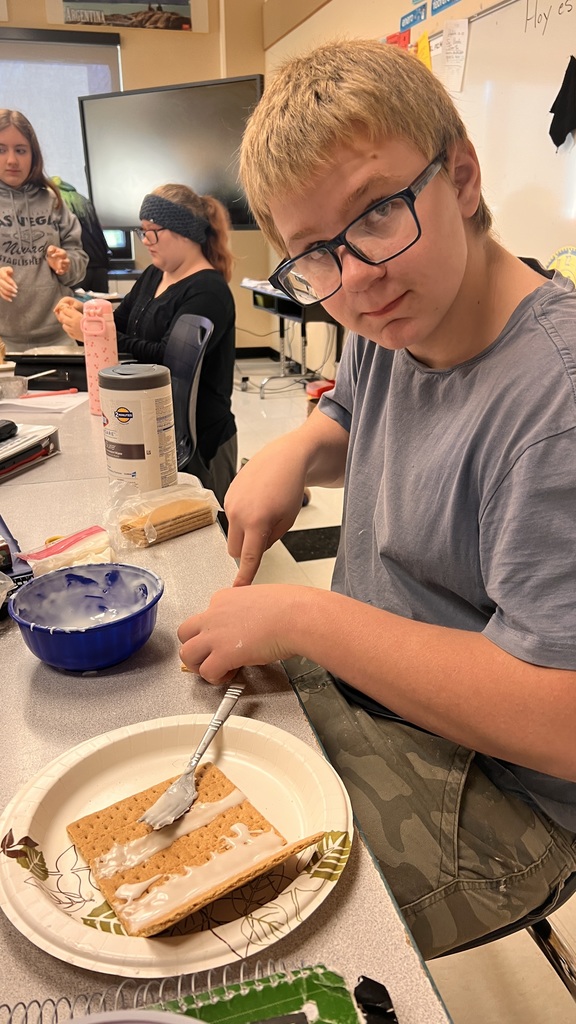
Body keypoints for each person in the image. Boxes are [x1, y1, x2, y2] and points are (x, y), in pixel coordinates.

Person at [175, 39, 576, 959]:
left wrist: (306, 623)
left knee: (229, 931)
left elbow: (560, 719)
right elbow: (354, 410)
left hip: (511, 792)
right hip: (376, 694)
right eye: (312, 254)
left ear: (463, 177)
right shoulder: (400, 315)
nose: (353, 280)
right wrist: (297, 449)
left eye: (378, 215)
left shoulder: (554, 404)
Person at [55, 183, 237, 506]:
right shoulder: (155, 274)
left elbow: (168, 361)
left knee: (211, 535)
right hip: (153, 427)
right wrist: (90, 316)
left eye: (154, 231)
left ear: (185, 231)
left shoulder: (208, 291)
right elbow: (122, 320)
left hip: (199, 441)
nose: (146, 241)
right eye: (142, 232)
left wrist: (96, 334)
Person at [0, 110, 88, 351]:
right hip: (3, 344)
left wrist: (66, 263)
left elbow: (78, 266)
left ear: (33, 154)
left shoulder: (53, 201)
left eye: (20, 150)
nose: (12, 160)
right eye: (1, 150)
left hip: (57, 338)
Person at [52, 176, 110, 294]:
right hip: (100, 265)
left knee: (75, 308)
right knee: (98, 309)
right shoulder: (83, 200)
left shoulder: (57, 201)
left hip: (79, 266)